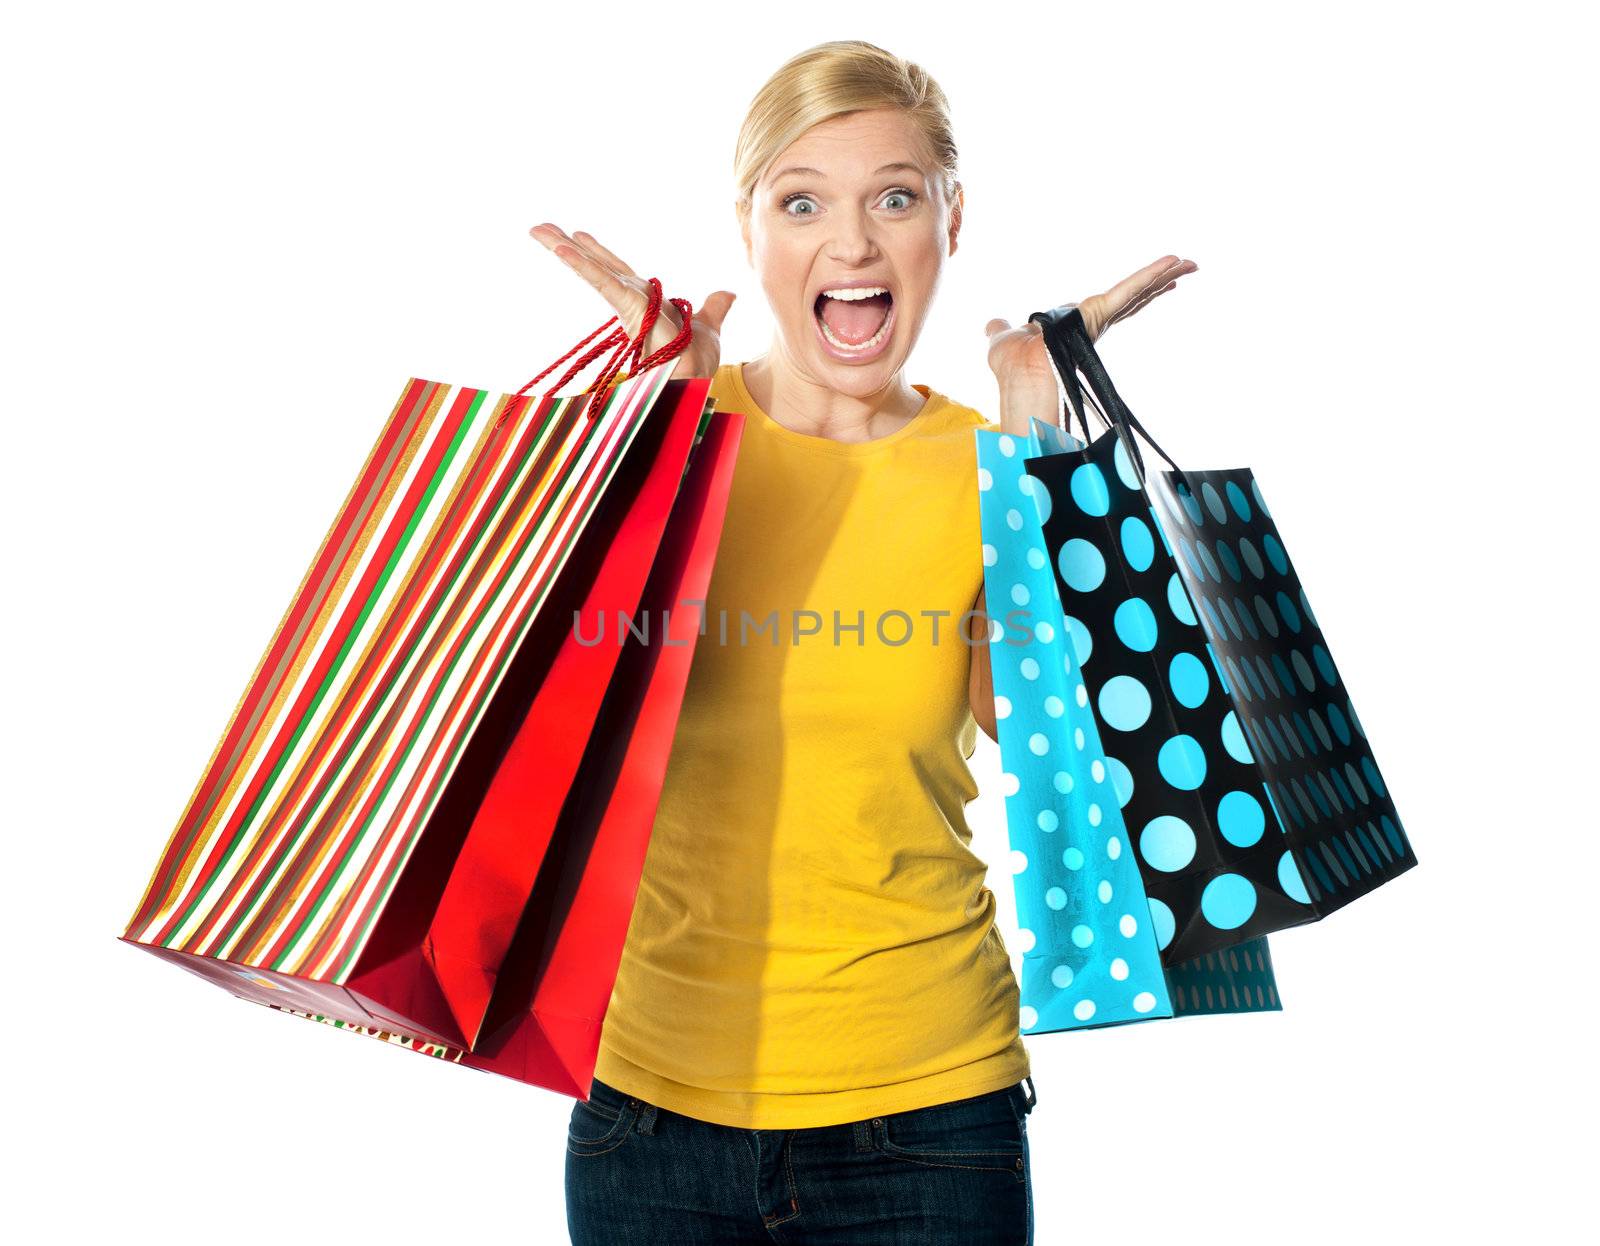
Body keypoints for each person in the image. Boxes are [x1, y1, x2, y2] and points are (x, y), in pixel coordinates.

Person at [532, 39, 1195, 1246]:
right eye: (803, 202)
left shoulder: (986, 472)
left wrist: (1037, 441)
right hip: (647, 1118)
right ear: (749, 230)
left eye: (894, 196)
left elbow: (1076, 762)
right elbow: (550, 720)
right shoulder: (670, 438)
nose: (851, 244)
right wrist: (664, 433)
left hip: (930, 1119)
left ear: (951, 220)